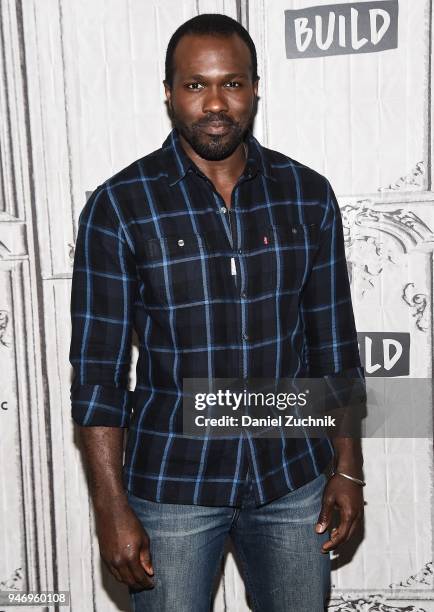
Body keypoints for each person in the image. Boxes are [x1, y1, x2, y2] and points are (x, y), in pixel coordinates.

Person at [69, 13, 366, 612]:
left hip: (292, 477)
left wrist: (348, 468)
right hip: (172, 486)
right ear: (169, 93)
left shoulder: (307, 195)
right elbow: (98, 377)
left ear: (256, 87)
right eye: (195, 85)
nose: (214, 104)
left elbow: (333, 345)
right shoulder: (120, 206)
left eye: (231, 84)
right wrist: (110, 508)